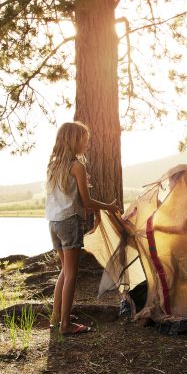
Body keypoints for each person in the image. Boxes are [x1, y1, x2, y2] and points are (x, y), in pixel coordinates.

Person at [46, 122, 119, 335]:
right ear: (74, 140)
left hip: (54, 222)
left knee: (64, 271)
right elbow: (87, 202)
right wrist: (109, 206)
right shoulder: (77, 166)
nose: (87, 144)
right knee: (71, 274)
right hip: (69, 222)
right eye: (84, 139)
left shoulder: (54, 165)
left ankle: (56, 317)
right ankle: (66, 325)